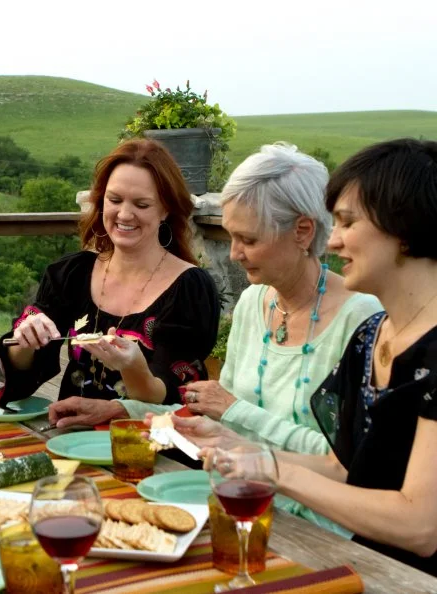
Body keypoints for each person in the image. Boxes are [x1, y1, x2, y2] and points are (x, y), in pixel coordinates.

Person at [175, 138, 437, 575]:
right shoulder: (372, 336)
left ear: (404, 229)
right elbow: (341, 466)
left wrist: (275, 471)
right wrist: (242, 451)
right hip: (354, 563)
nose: (331, 241)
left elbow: (421, 527)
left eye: (347, 223)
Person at [50, 143, 380, 455]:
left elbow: (351, 458)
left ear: (303, 231)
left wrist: (235, 410)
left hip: (304, 513)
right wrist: (119, 410)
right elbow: (217, 420)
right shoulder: (254, 302)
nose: (234, 254)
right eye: (231, 235)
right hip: (235, 487)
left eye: (248, 239)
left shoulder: (362, 320)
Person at [0, 139, 220, 409]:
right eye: (114, 200)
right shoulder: (73, 273)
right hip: (69, 440)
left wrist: (127, 382)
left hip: (146, 446)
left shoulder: (189, 289)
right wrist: (25, 342)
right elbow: (11, 385)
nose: (125, 214)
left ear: (166, 209)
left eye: (142, 204)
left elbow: (177, 398)